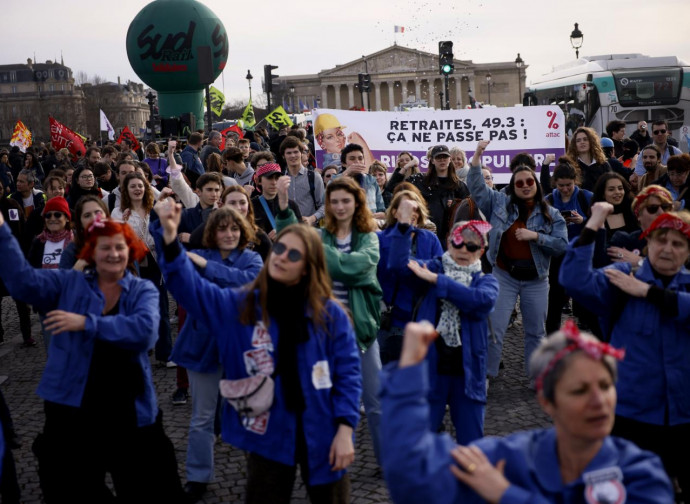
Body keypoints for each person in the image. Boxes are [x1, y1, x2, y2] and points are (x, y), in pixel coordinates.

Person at [152, 199, 361, 504]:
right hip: (269, 433)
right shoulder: (243, 305)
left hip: (324, 428)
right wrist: (170, 242)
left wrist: (345, 429)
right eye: (279, 249)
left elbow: (348, 374)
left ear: (307, 267)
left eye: (293, 254)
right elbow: (192, 290)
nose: (280, 257)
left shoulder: (330, 314)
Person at [0, 213, 186, 504]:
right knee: (73, 490)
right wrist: (1, 231)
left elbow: (145, 332)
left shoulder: (141, 290)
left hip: (129, 409)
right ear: (91, 252)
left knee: (150, 490)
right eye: (104, 247)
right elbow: (21, 282)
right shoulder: (68, 283)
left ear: (130, 250)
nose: (113, 253)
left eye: (119, 247)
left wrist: (86, 323)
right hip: (72, 411)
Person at [379, 320, 673, 504]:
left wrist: (504, 494)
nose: (599, 401)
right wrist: (409, 372)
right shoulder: (509, 457)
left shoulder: (640, 471)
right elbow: (414, 481)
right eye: (579, 391)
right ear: (547, 402)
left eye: (605, 385)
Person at [560, 206, 690, 500]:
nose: (667, 249)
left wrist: (648, 293)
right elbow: (574, 280)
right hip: (632, 415)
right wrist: (593, 222)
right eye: (660, 240)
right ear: (648, 242)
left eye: (678, 243)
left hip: (684, 415)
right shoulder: (621, 277)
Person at [161, 207, 262, 502]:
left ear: (242, 231)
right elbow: (183, 286)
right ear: (211, 233)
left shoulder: (252, 258)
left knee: (252, 415)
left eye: (234, 228)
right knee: (202, 417)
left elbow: (249, 285)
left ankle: (260, 475)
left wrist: (205, 265)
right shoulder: (195, 259)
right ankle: (198, 476)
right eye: (222, 229)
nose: (229, 234)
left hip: (242, 349)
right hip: (202, 346)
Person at [387, 214, 498, 444]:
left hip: (468, 374)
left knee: (471, 444)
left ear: (482, 249)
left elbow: (479, 301)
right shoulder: (435, 266)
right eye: (458, 242)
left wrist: (439, 281)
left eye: (471, 245)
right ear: (449, 242)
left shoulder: (486, 281)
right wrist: (404, 226)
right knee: (422, 441)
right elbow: (398, 265)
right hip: (431, 370)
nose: (463, 249)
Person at [467, 140, 567, 379]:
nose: (524, 186)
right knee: (495, 328)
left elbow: (562, 245)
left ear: (536, 184)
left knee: (535, 332)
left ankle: (536, 378)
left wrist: (536, 237)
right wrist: (477, 156)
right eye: (519, 182)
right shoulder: (500, 202)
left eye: (529, 182)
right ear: (513, 185)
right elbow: (477, 187)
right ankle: (487, 376)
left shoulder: (550, 213)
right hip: (504, 274)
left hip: (536, 279)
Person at [318, 176, 383, 465]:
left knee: (376, 402)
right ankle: (332, 461)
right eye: (335, 201)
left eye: (346, 200)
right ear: (328, 206)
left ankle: (386, 462)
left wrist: (327, 256)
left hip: (362, 329)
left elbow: (359, 270)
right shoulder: (321, 236)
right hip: (325, 333)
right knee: (328, 400)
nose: (341, 206)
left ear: (357, 202)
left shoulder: (368, 236)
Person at [112, 172, 173, 366]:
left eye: (140, 185)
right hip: (133, 266)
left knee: (161, 309)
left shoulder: (154, 209)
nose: (137, 189)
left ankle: (165, 354)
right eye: (133, 186)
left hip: (155, 263)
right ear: (126, 191)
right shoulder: (118, 213)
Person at [377, 190, 443, 364]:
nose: (411, 214)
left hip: (424, 318)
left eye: (415, 209)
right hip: (392, 321)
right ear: (394, 212)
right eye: (406, 208)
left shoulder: (430, 238)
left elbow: (440, 269)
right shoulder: (380, 239)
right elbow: (393, 267)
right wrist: (422, 267)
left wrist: (411, 263)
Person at [542, 157, 592, 333]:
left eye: (568, 185)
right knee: (555, 297)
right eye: (560, 185)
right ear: (554, 183)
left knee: (583, 296)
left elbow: (599, 224)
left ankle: (585, 330)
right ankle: (552, 333)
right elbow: (540, 226)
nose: (564, 189)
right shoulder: (548, 200)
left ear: (575, 181)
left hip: (581, 252)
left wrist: (583, 220)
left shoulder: (586, 197)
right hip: (558, 254)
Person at [388, 145, 470, 246]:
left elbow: (468, 209)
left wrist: (456, 205)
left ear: (449, 160)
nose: (442, 160)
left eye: (445, 157)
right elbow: (392, 188)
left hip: (449, 239)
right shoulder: (419, 180)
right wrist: (405, 167)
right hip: (423, 236)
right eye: (438, 158)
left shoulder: (458, 185)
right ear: (432, 160)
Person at [188, 185, 272, 261]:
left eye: (242, 203)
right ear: (223, 206)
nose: (238, 207)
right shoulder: (215, 231)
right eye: (232, 203)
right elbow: (194, 240)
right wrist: (216, 214)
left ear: (248, 206)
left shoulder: (259, 236)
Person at [0, 178, 32, 347]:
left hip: (13, 259)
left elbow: (21, 229)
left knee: (21, 300)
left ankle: (27, 335)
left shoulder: (11, 205)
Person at [608, 185, 673, 264]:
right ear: (638, 215)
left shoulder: (682, 241)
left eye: (665, 207)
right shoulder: (625, 241)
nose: (661, 213)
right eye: (652, 208)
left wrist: (640, 262)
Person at [334, 144, 386, 218]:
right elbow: (326, 200)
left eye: (360, 158)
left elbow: (381, 208)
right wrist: (346, 174)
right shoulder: (336, 180)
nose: (357, 162)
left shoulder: (371, 180)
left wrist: (380, 215)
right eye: (352, 159)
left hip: (368, 225)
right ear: (343, 163)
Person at [59, 195, 110, 270]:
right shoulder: (72, 250)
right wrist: (78, 268)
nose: (94, 218)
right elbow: (62, 280)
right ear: (80, 223)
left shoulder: (121, 242)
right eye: (87, 215)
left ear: (106, 215)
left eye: (98, 212)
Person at [565, 127, 611, 192]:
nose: (582, 142)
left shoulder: (603, 164)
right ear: (574, 144)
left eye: (585, 139)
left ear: (591, 141)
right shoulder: (569, 165)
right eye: (578, 140)